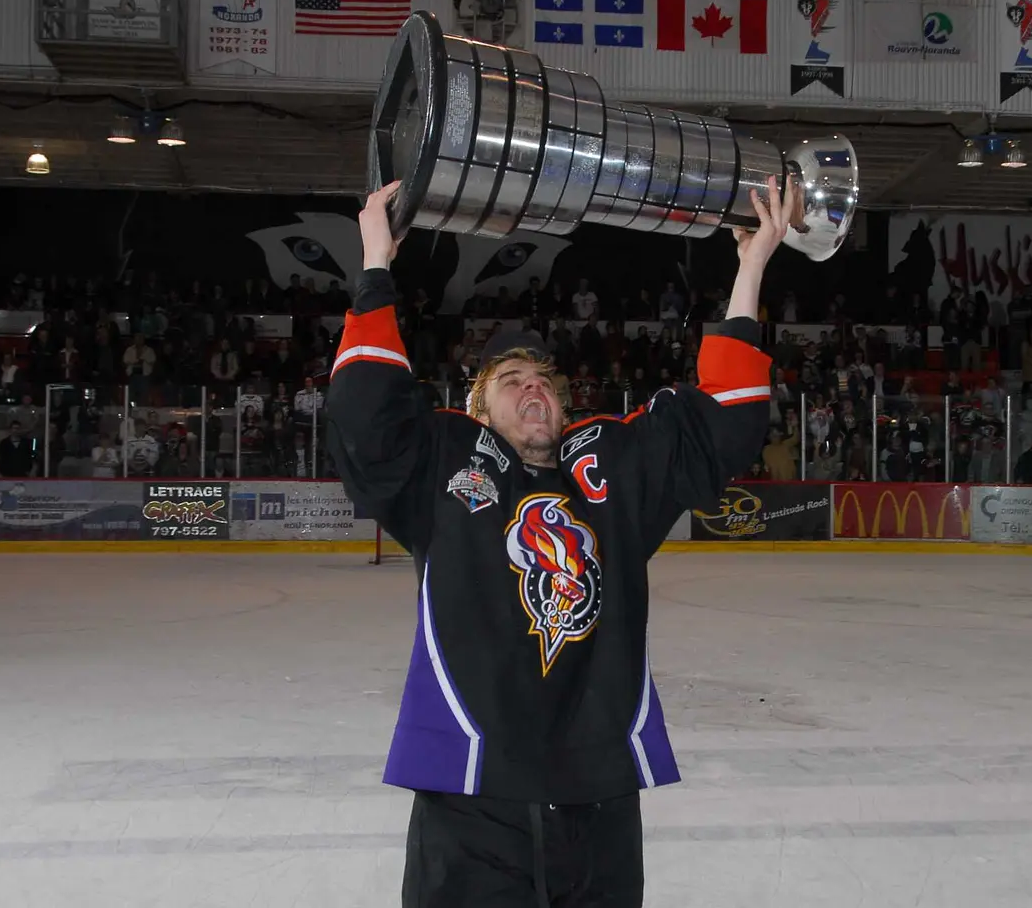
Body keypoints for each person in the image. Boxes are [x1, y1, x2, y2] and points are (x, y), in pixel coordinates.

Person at [328, 176, 793, 907]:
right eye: (509, 379)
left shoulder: (610, 466)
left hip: (597, 788)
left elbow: (721, 425)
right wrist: (377, 264)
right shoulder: (443, 465)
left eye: (543, 378)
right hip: (472, 789)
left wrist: (751, 266)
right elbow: (365, 422)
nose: (532, 387)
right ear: (479, 407)